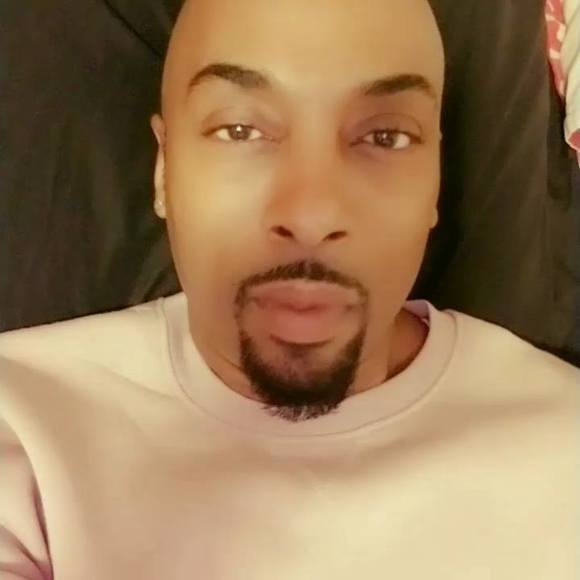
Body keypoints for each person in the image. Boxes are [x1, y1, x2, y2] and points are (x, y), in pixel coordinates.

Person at [0, 0, 578, 578]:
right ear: (164, 171)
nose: (310, 216)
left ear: (435, 184)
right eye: (239, 130)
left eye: (386, 136)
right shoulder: (22, 429)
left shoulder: (564, 446)